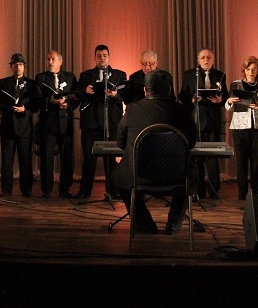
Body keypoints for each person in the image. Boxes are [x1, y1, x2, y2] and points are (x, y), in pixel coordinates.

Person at [111, 70, 197, 234]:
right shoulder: (182, 111)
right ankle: (174, 223)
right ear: (169, 90)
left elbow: (121, 144)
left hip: (139, 175)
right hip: (177, 175)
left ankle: (143, 223)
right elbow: (191, 143)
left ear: (145, 90)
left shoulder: (132, 110)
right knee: (192, 175)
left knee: (119, 177)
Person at [74, 45, 126, 200]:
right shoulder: (85, 75)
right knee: (89, 159)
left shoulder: (119, 75)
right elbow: (77, 95)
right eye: (99, 55)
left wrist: (115, 95)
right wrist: (85, 91)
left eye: (104, 55)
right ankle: (85, 191)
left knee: (111, 160)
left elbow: (124, 96)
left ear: (109, 57)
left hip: (111, 123)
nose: (102, 58)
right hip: (91, 123)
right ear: (94, 57)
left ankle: (113, 191)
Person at [178, 48, 227, 198]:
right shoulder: (189, 75)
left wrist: (220, 100)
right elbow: (182, 96)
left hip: (213, 120)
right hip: (196, 120)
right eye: (203, 58)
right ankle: (197, 191)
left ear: (213, 60)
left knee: (213, 156)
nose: (206, 60)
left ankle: (213, 190)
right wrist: (192, 100)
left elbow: (225, 96)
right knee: (196, 157)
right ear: (198, 61)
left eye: (209, 57)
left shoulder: (220, 75)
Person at [0, 54, 41, 197]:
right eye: (15, 64)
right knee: (6, 161)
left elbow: (36, 104)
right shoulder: (4, 82)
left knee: (25, 160)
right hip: (8, 127)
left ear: (24, 66)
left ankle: (26, 189)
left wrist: (25, 110)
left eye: (20, 64)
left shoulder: (31, 83)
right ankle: (6, 190)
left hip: (24, 127)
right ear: (11, 67)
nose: (18, 67)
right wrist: (9, 107)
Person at [224, 56, 258, 200]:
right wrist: (229, 101)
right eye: (248, 69)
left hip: (257, 127)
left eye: (254, 69)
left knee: (256, 161)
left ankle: (256, 192)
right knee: (242, 161)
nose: (251, 72)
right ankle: (242, 193)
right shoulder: (236, 85)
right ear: (244, 70)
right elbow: (228, 107)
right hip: (239, 127)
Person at [35, 50, 78, 198]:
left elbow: (76, 96)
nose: (50, 62)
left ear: (60, 61)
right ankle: (46, 189)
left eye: (53, 59)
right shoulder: (41, 78)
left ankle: (65, 188)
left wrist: (68, 104)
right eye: (48, 59)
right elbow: (37, 99)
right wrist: (50, 101)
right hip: (48, 123)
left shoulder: (70, 77)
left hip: (65, 122)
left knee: (66, 156)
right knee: (46, 156)